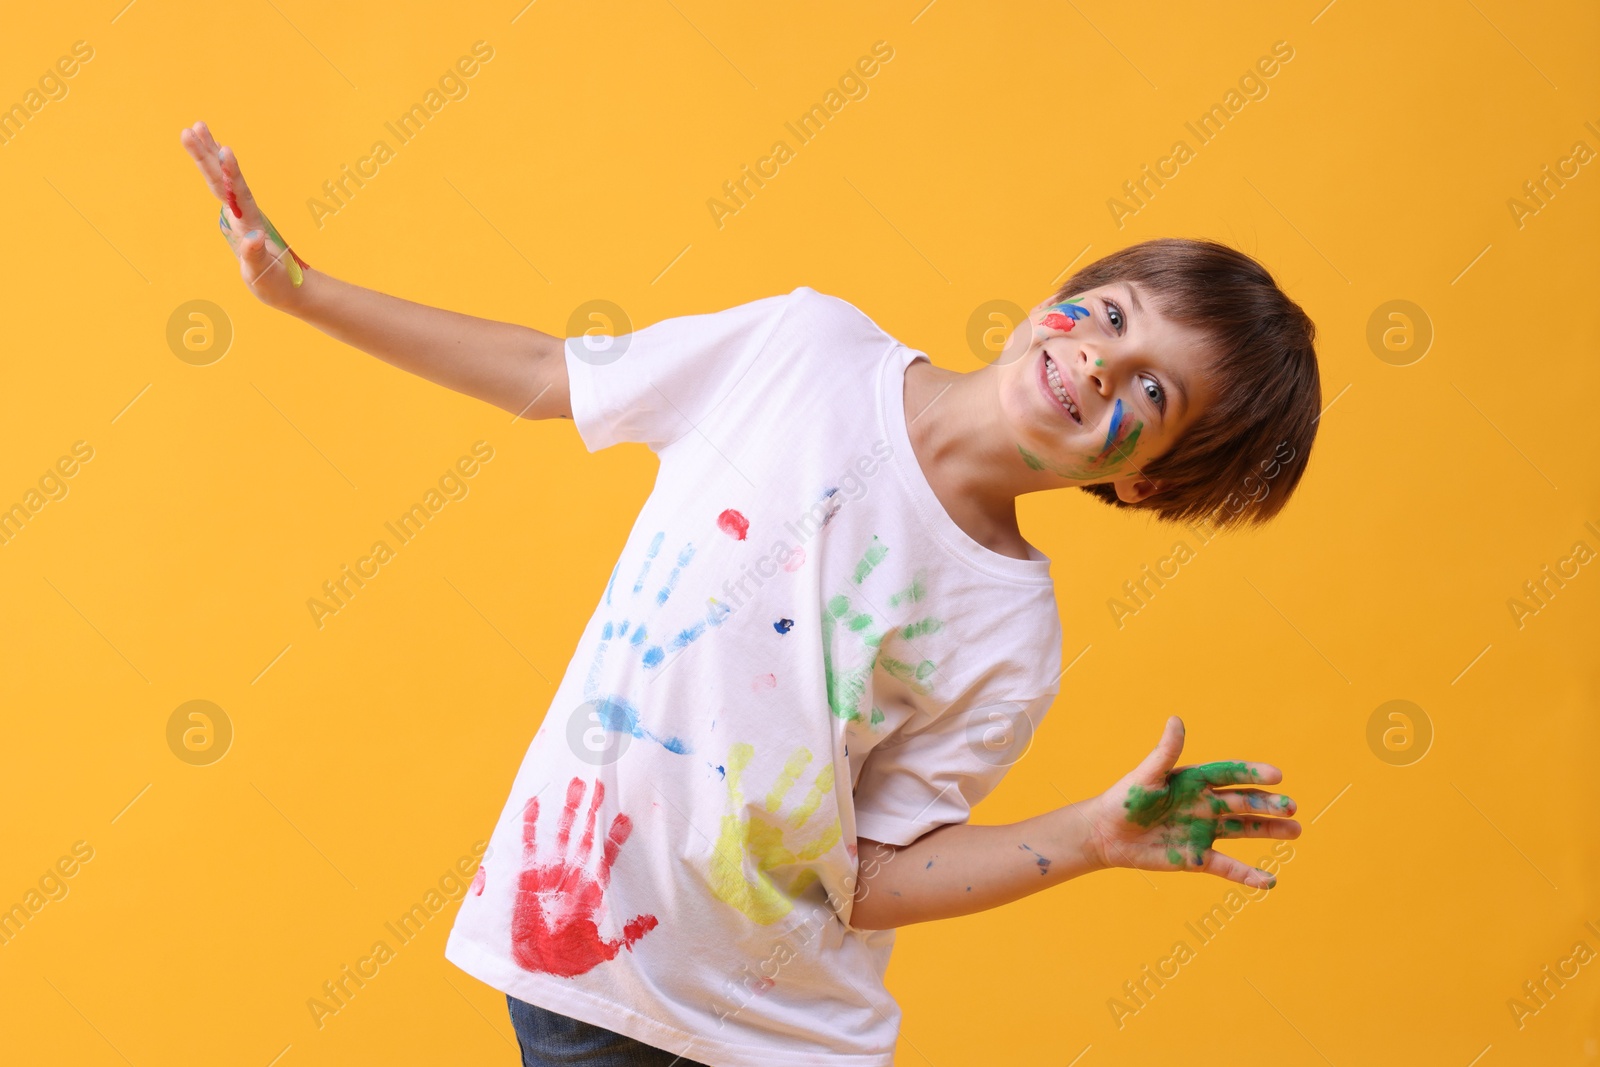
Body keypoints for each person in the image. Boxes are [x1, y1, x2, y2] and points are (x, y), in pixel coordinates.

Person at [181, 119, 1315, 1067]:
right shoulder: (802, 346)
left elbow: (869, 877)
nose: (1101, 362)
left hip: (783, 1030)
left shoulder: (1012, 629)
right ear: (1067, 293)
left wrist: (1085, 836)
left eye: (1151, 387)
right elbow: (546, 375)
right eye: (1112, 314)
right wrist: (304, 292)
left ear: (1144, 475)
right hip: (591, 968)